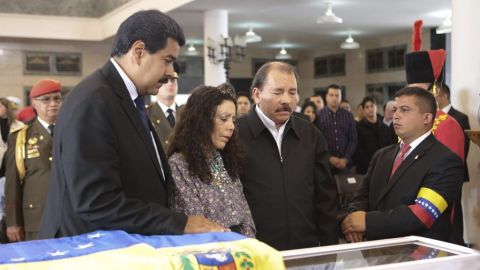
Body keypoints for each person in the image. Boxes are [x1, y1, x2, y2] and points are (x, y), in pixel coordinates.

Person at [39, 10, 226, 239]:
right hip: (91, 249)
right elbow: (96, 202)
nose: (170, 73)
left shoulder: (128, 98)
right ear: (138, 52)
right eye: (167, 61)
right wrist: (178, 223)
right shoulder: (94, 101)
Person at [237, 61, 338, 250]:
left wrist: (329, 248)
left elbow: (326, 198)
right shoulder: (236, 135)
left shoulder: (310, 134)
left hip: (305, 249)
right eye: (278, 92)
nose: (286, 100)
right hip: (255, 252)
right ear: (257, 94)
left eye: (292, 92)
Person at [342, 87, 464, 243]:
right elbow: (361, 196)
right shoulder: (381, 155)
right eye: (395, 109)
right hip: (376, 251)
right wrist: (355, 219)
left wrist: (367, 222)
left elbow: (422, 213)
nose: (396, 115)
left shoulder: (446, 160)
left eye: (404, 110)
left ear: (426, 118)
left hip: (419, 255)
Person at [405, 20, 466, 245]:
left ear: (434, 90)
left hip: (433, 213)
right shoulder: (405, 121)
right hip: (406, 209)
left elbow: (447, 180)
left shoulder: (447, 124)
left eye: (418, 91)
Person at [167, 85, 255, 238]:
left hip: (243, 249)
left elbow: (246, 215)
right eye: (223, 119)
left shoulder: (224, 157)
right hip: (212, 253)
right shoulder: (179, 164)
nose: (231, 126)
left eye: (233, 120)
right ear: (202, 120)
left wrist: (247, 241)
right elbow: (197, 224)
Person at [4, 79, 63, 241]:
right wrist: (13, 222)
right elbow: (12, 182)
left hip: (70, 216)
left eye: (57, 98)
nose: (53, 103)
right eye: (46, 99)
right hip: (36, 218)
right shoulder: (21, 137)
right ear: (34, 104)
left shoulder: (73, 130)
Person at [315, 84, 357, 175]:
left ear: (341, 97)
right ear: (326, 97)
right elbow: (317, 141)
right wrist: (329, 158)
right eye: (331, 95)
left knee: (345, 188)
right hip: (325, 164)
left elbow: (353, 139)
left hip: (345, 164)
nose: (334, 98)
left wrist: (346, 158)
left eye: (337, 95)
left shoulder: (348, 115)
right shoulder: (319, 116)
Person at [435, 83, 470, 179]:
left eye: (436, 94)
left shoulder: (460, 117)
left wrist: (454, 168)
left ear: (445, 96)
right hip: (435, 169)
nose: (433, 97)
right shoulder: (432, 117)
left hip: (453, 170)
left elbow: (464, 147)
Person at [147, 63, 181, 149]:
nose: (170, 84)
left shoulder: (186, 113)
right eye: (165, 80)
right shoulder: (147, 114)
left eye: (173, 80)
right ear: (157, 84)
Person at [354, 96, 389, 174]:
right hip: (365, 168)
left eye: (372, 106)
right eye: (367, 107)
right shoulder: (358, 127)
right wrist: (371, 165)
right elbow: (359, 150)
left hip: (382, 166)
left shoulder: (384, 127)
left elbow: (388, 148)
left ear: (376, 107)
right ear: (363, 110)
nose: (370, 109)